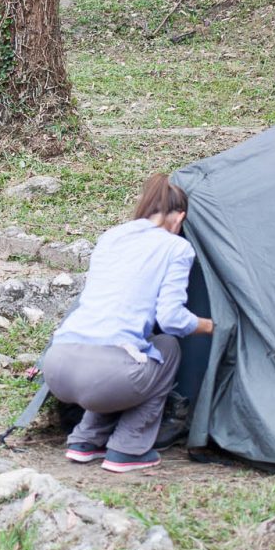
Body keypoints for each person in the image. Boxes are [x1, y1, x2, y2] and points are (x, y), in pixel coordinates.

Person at [43, 173, 214, 473]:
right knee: (168, 348)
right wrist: (209, 326)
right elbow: (171, 319)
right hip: (105, 376)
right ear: (179, 218)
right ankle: (128, 449)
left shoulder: (112, 236)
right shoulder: (177, 247)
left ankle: (85, 440)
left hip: (57, 366)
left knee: (134, 356)